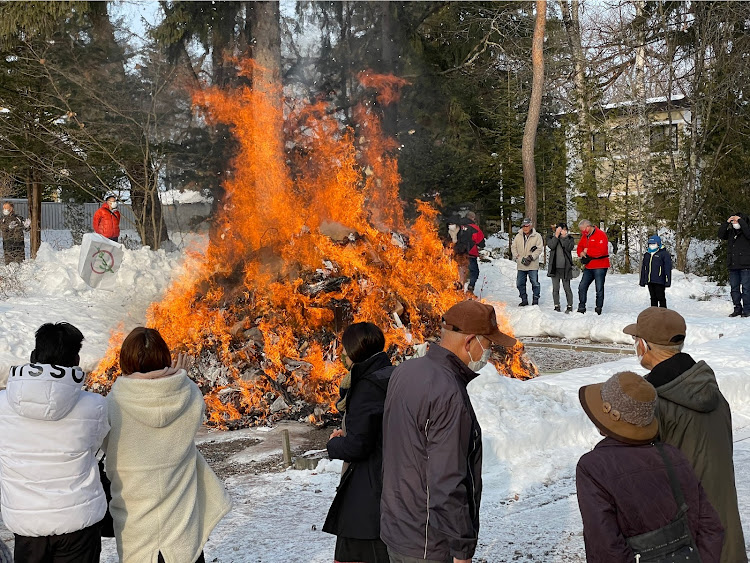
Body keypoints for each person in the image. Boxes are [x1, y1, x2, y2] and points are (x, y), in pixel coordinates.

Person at [381, 300, 517, 563]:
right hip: (430, 541)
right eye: (488, 344)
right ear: (469, 343)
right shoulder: (448, 392)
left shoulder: (406, 371)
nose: (488, 352)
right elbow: (447, 480)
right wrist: (462, 549)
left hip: (397, 528)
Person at [624, 307, 747, 563]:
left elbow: (645, 473)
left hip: (685, 533)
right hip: (723, 529)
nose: (635, 346)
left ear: (644, 346)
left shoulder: (655, 399)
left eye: (636, 340)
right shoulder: (709, 389)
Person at [103, 327, 231, 563]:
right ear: (164, 358)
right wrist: (180, 378)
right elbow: (181, 399)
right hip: (182, 529)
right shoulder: (189, 394)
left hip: (136, 530)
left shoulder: (113, 403)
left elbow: (105, 444)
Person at [576, 371, 724, 562]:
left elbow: (605, 546)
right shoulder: (673, 455)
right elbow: (711, 528)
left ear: (609, 415)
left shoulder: (593, 467)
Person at [0, 322, 109, 562]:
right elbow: (98, 445)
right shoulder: (95, 405)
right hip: (78, 523)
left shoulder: (2, 405)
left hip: (27, 524)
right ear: (76, 360)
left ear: (33, 356)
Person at [324, 322, 395, 563]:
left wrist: (333, 444)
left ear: (355, 351)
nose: (341, 355)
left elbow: (359, 446)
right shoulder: (390, 374)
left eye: (344, 349)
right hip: (389, 485)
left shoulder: (366, 387)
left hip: (367, 496)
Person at [718, 212, 750, 317]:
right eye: (733, 221)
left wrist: (740, 220)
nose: (734, 223)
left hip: (746, 265)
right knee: (734, 289)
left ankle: (747, 309)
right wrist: (727, 222)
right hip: (733, 265)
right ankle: (737, 308)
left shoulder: (746, 231)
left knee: (746, 289)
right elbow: (721, 234)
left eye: (736, 221)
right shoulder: (731, 233)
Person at [576, 219, 610, 314]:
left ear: (588, 227)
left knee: (599, 288)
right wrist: (581, 252)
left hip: (600, 265)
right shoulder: (585, 236)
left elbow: (601, 251)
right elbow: (579, 247)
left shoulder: (601, 235)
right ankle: (581, 306)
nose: (582, 232)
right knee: (582, 286)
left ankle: (598, 308)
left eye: (583, 229)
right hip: (589, 266)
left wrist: (588, 251)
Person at [511, 218, 543, 306]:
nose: (525, 228)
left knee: (535, 283)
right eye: (523, 226)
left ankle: (535, 300)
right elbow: (513, 247)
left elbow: (539, 249)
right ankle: (524, 299)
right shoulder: (518, 236)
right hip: (521, 264)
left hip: (532, 264)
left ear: (530, 225)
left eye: (527, 226)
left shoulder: (537, 236)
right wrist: (517, 257)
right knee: (520, 283)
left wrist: (531, 257)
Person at [546, 222, 575, 313]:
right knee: (555, 288)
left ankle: (569, 305)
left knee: (567, 288)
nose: (563, 231)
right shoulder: (551, 238)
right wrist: (556, 236)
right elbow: (551, 245)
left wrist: (564, 237)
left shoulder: (570, 238)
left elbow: (569, 247)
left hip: (565, 267)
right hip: (555, 267)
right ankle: (556, 305)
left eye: (564, 229)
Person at [456, 212, 485, 296]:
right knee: (474, 272)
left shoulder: (458, 226)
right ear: (472, 218)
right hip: (470, 254)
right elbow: (481, 243)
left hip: (458, 254)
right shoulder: (474, 228)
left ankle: (459, 291)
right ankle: (470, 289)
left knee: (460, 272)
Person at [639, 234, 672, 308]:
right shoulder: (647, 254)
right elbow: (644, 268)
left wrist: (667, 280)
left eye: (654, 244)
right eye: (650, 244)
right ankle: (654, 314)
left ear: (658, 244)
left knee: (660, 297)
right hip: (650, 280)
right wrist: (642, 280)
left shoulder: (664, 254)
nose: (652, 245)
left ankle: (663, 313)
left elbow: (667, 267)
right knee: (653, 298)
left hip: (660, 280)